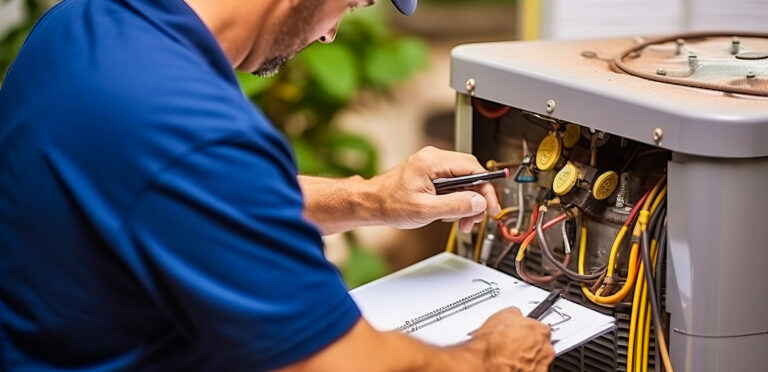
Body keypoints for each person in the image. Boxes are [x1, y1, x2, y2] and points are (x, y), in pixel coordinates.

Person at [0, 0, 555, 370]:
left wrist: (371, 198)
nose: (333, 30)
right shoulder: (189, 126)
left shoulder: (81, 24)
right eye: (352, 1)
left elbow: (179, 196)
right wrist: (489, 357)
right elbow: (341, 363)